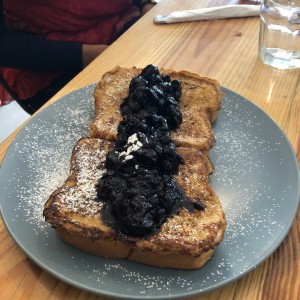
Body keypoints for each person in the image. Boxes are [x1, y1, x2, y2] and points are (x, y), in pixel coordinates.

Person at [0, 0, 156, 113]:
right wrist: (86, 54)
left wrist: (145, 4)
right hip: (51, 60)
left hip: (123, 18)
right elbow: (5, 47)